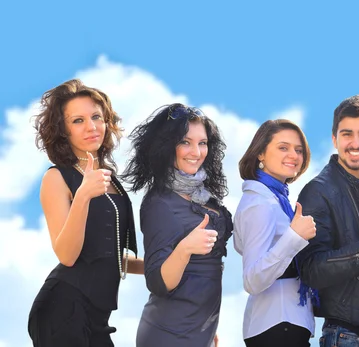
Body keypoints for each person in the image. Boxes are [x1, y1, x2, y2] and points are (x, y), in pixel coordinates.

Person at [27, 79, 142, 347]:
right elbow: (67, 255)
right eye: (78, 120)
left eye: (96, 117)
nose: (91, 127)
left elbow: (106, 254)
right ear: (63, 131)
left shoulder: (109, 179)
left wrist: (158, 268)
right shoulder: (57, 178)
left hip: (97, 316)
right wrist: (82, 196)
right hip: (63, 309)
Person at [122, 103, 232, 347]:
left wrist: (209, 327)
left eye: (202, 143)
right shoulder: (159, 203)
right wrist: (185, 248)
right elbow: (157, 281)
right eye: (185, 142)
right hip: (168, 335)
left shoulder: (204, 195)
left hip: (199, 331)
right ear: (167, 146)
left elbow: (205, 274)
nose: (196, 151)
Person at [296, 95, 359, 347]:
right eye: (346, 134)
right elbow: (310, 270)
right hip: (346, 337)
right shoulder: (317, 192)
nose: (355, 143)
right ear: (334, 139)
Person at [233, 119, 316, 347]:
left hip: (286, 323)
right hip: (277, 327)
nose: (293, 155)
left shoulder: (275, 198)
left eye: (298, 150)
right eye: (283, 147)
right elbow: (252, 279)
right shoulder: (260, 203)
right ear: (260, 153)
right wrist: (294, 237)